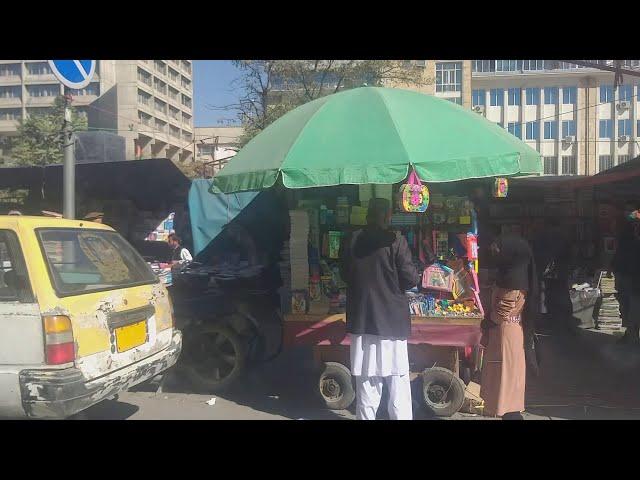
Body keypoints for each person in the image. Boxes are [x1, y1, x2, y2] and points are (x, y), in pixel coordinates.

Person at [340, 198, 419, 420]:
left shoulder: (353, 240)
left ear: (367, 216)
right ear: (387, 216)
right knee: (397, 382)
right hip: (391, 322)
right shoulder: (396, 241)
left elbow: (345, 274)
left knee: (366, 381)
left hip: (363, 321)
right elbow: (410, 278)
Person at [480, 232, 539, 420]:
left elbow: (504, 308)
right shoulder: (511, 273)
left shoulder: (514, 279)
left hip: (506, 332)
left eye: (499, 246)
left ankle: (509, 413)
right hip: (509, 331)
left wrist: (489, 321)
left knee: (505, 377)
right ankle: (508, 412)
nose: (495, 250)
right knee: (507, 377)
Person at [613, 204, 640, 345]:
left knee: (633, 305)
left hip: (633, 274)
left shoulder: (632, 229)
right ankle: (630, 332)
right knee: (626, 304)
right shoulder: (625, 231)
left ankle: (632, 333)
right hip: (624, 271)